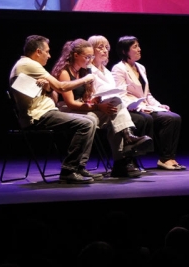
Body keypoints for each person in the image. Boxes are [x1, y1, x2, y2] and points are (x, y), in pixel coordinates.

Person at [51, 39, 151, 178]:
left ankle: (121, 158)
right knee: (96, 119)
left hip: (83, 107)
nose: (89, 60)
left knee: (115, 109)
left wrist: (95, 100)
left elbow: (86, 98)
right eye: (87, 57)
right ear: (76, 55)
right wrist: (97, 106)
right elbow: (70, 104)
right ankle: (82, 165)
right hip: (69, 110)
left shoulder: (84, 71)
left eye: (91, 57)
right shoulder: (65, 72)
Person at [8, 35, 100, 184]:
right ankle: (69, 170)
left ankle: (79, 167)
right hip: (37, 116)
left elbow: (53, 97)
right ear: (38, 52)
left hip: (46, 112)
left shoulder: (30, 66)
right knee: (86, 123)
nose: (49, 55)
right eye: (47, 51)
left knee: (92, 119)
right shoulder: (28, 64)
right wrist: (85, 79)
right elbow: (61, 87)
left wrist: (48, 88)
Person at [111, 36, 186, 170]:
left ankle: (166, 158)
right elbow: (121, 94)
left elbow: (147, 94)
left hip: (146, 106)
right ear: (124, 51)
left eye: (138, 46)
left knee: (174, 118)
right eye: (135, 47)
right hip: (132, 108)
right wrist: (139, 107)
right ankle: (133, 157)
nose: (139, 49)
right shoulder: (119, 69)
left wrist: (158, 105)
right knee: (150, 119)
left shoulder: (141, 67)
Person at [87, 34, 151, 175]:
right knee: (118, 113)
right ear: (91, 50)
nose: (105, 50)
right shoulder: (87, 70)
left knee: (116, 111)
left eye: (106, 47)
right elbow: (88, 94)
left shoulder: (107, 72)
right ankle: (124, 155)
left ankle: (123, 160)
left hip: (111, 107)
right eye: (100, 47)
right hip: (95, 107)